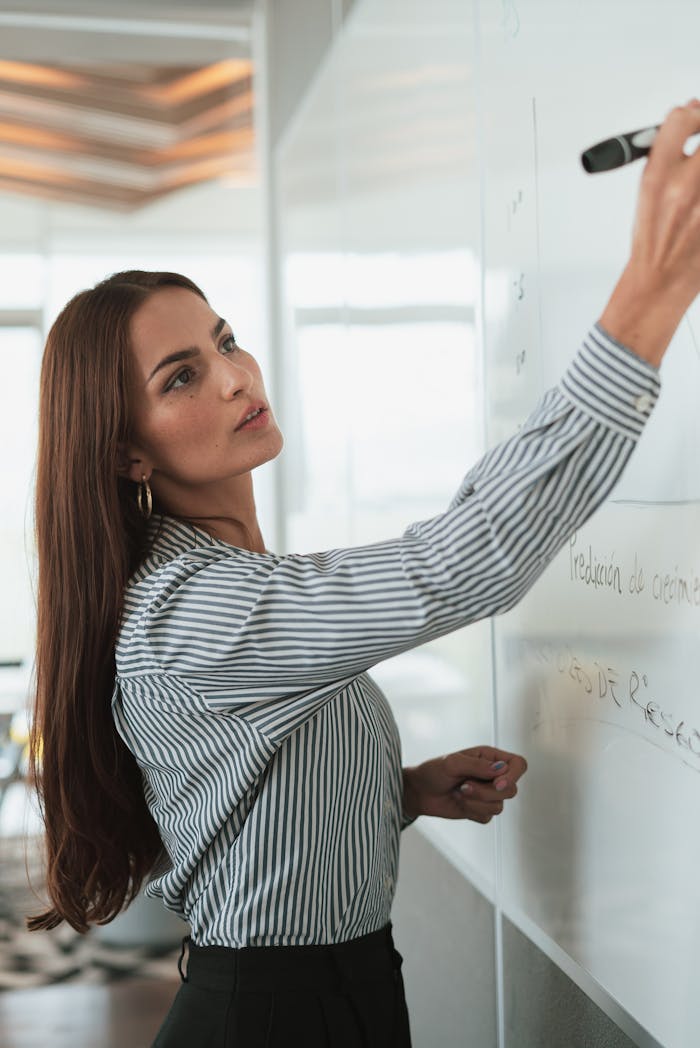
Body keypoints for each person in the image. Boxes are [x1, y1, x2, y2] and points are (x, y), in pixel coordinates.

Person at [27, 100, 700, 1047]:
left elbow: (245, 798)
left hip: (342, 992)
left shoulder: (236, 580)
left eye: (224, 341)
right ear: (128, 455)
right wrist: (650, 295)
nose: (232, 376)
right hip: (268, 1018)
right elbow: (463, 561)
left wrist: (400, 791)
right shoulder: (196, 610)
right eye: (180, 377)